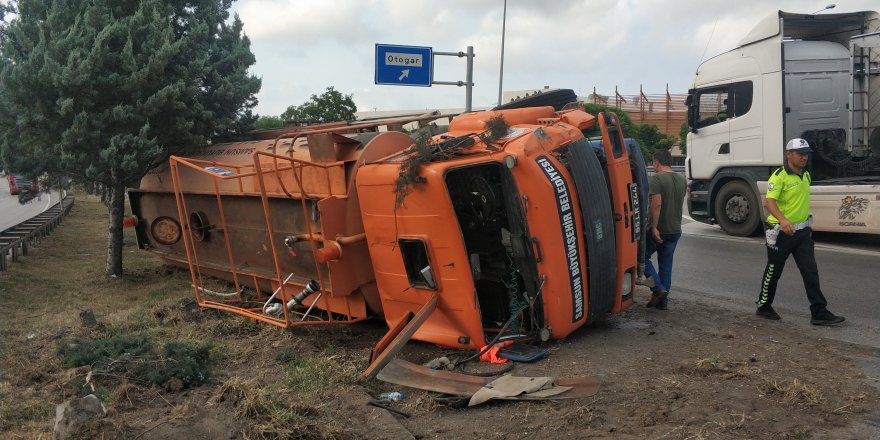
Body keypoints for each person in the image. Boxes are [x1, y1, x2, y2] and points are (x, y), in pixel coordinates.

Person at [755, 138, 845, 325]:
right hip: (781, 233)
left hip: (802, 233)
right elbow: (769, 202)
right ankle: (764, 306)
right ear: (788, 154)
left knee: (810, 271)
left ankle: (818, 312)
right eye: (800, 153)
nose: (804, 157)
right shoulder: (779, 176)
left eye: (806, 154)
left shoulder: (805, 175)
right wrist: (783, 220)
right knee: (774, 270)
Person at [644, 149, 687, 310]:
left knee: (640, 257)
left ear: (657, 162)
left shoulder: (657, 179)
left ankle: (657, 288)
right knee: (666, 265)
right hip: (675, 229)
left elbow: (657, 204)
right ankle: (663, 303)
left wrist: (654, 227)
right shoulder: (682, 179)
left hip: (660, 229)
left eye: (653, 163)